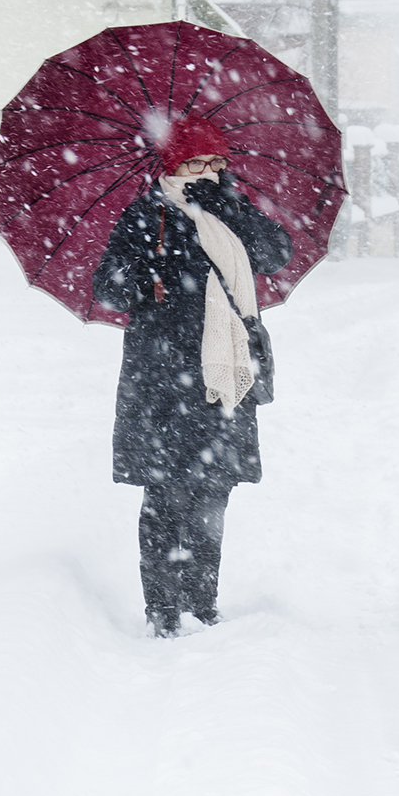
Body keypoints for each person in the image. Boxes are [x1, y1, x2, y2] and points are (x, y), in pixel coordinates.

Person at [92, 117, 292, 637]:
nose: (207, 173)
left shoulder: (232, 212)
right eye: (195, 163)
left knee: (212, 492)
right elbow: (108, 289)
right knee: (164, 494)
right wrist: (144, 273)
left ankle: (203, 606)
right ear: (170, 167)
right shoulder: (145, 214)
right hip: (162, 375)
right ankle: (162, 610)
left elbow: (277, 254)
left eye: (216, 163)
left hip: (224, 373)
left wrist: (230, 210)